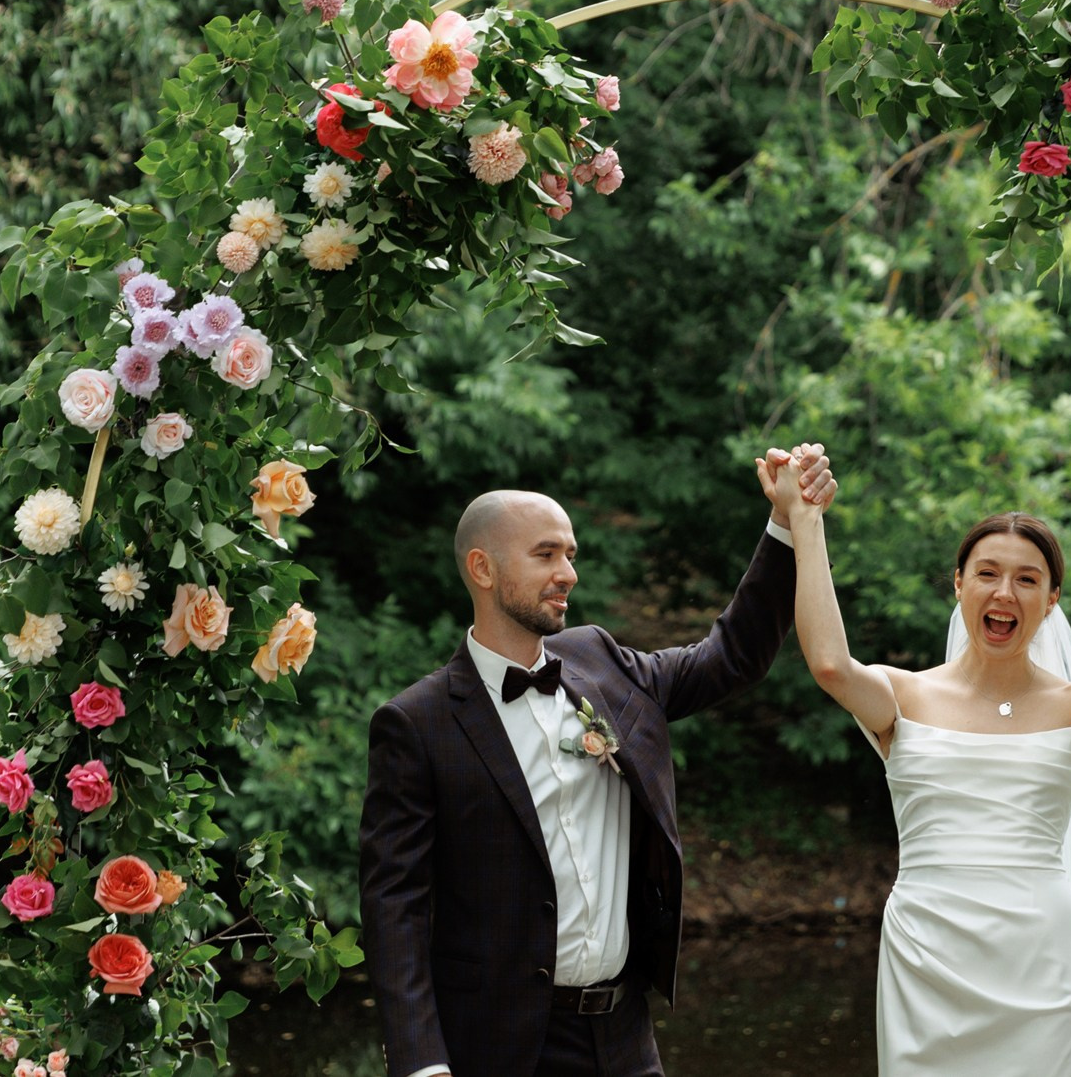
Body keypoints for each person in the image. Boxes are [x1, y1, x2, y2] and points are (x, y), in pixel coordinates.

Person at [358, 447, 837, 1077]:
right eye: (546, 554)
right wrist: (422, 1063)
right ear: (482, 568)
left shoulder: (602, 662)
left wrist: (784, 522)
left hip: (625, 1039)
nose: (568, 574)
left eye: (571, 555)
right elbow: (395, 908)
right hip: (499, 1049)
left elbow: (732, 656)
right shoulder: (416, 723)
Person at [764, 460, 1071, 1077]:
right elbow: (829, 665)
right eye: (987, 573)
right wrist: (806, 517)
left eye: (1027, 580)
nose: (1005, 593)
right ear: (959, 584)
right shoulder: (903, 696)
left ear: (1051, 601)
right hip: (928, 954)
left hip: (1043, 962)